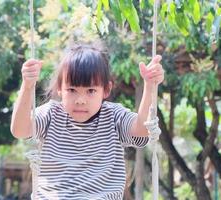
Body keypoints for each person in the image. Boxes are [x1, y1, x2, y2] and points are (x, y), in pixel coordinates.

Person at [10, 42, 164, 199]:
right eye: (72, 90)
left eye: (90, 91)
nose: (80, 100)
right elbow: (20, 130)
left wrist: (150, 86)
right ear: (59, 89)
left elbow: (143, 128)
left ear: (106, 90)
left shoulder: (113, 116)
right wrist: (27, 86)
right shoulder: (51, 114)